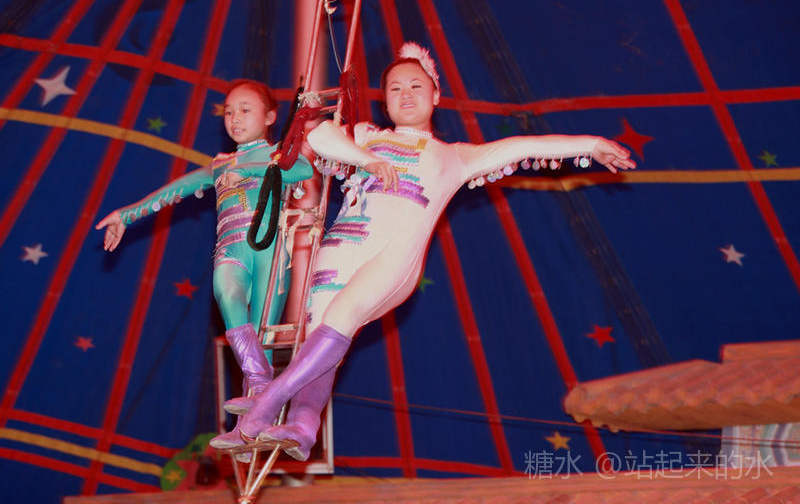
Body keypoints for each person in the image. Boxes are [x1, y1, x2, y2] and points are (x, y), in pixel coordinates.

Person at [230, 43, 637, 460]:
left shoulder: (455, 157)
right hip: (338, 252)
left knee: (340, 319)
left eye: (415, 86)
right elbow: (318, 134)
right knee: (320, 343)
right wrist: (364, 160)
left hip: (391, 260)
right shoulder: (366, 137)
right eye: (394, 88)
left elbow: (524, 146)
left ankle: (265, 406)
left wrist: (591, 144)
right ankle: (303, 426)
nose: (405, 94)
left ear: (436, 95)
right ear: (385, 100)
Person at [95, 79, 313, 450]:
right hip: (230, 250)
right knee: (226, 293)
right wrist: (127, 215)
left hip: (270, 251)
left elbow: (303, 170)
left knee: (260, 335)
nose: (234, 118)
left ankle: (251, 421)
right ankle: (261, 388)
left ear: (270, 117)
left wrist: (250, 170)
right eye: (228, 112)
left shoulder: (278, 156)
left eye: (245, 110)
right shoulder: (220, 165)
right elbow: (174, 190)